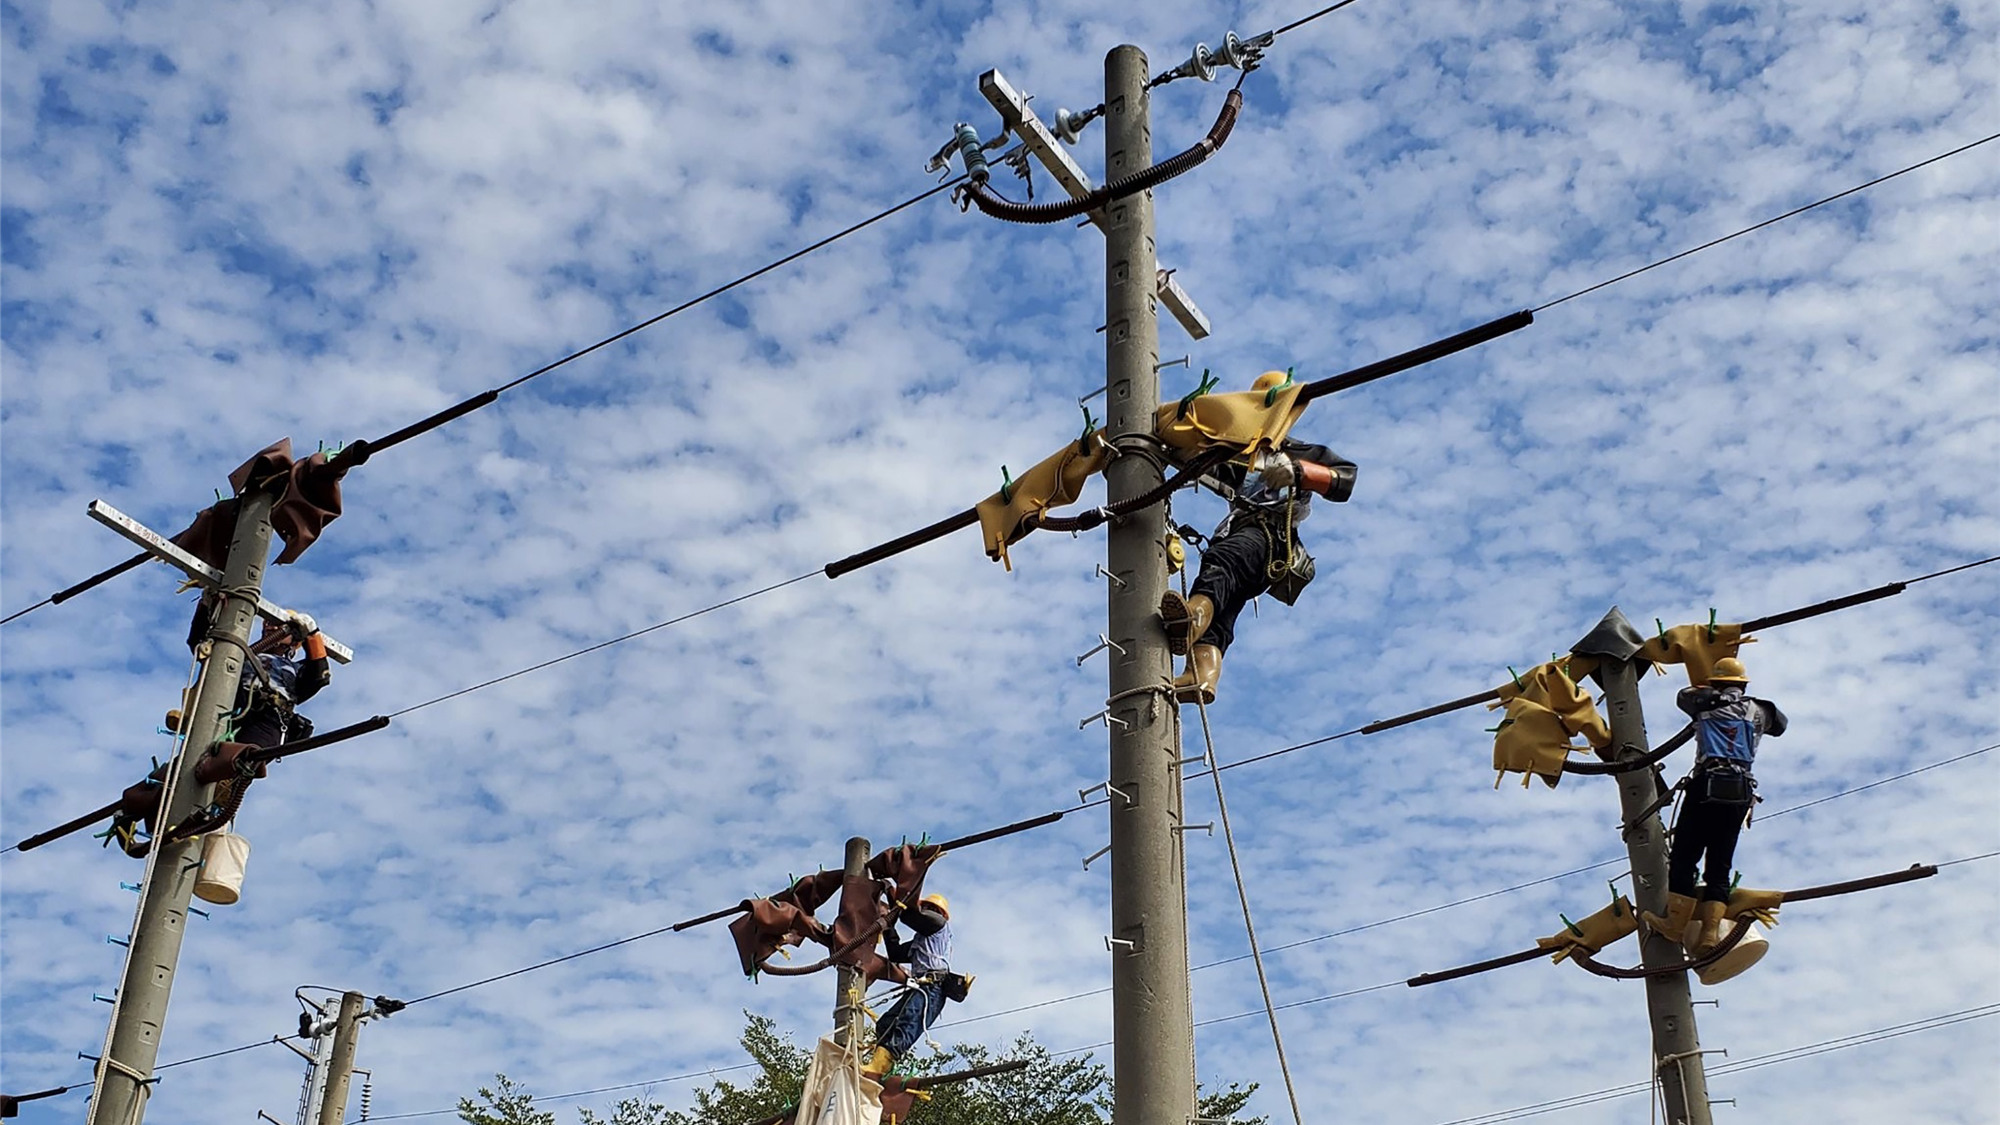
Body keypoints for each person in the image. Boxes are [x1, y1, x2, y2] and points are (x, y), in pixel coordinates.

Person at [1159, 371, 1356, 704]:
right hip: (1251, 539)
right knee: (1225, 606)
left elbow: (1345, 480)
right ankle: (1202, 676)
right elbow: (1205, 465)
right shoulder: (1243, 457)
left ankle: (1191, 619)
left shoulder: (1301, 451)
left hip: (1269, 536)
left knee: (1223, 562)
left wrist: (1300, 473)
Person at [1642, 656, 1787, 954]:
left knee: (1684, 859)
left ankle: (1675, 926)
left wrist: (1711, 691)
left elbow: (1683, 697)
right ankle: (1709, 935)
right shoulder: (1759, 710)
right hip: (1740, 792)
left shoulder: (1703, 702)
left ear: (1716, 683)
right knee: (1719, 868)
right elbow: (1780, 724)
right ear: (1743, 684)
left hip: (1706, 785)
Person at [863, 893, 966, 1078]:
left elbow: (909, 916)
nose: (925, 911)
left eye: (928, 908)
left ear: (938, 912)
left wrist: (892, 900)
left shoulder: (939, 925)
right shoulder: (923, 940)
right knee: (886, 1023)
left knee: (908, 1021)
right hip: (921, 986)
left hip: (933, 987)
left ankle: (881, 1066)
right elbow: (895, 953)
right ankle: (879, 1063)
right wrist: (887, 925)